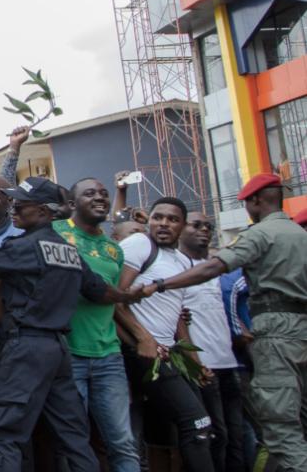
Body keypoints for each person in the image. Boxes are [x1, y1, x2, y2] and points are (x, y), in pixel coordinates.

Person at [0, 176, 148, 472]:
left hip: (26, 349)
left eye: (22, 204)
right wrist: (127, 295)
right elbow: (100, 291)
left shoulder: (23, 247)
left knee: (1, 430)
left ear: (44, 211)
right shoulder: (69, 251)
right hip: (59, 352)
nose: (14, 208)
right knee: (73, 436)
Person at [149, 174, 307, 472]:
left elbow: (215, 266)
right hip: (302, 328)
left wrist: (158, 285)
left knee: (281, 424)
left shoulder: (261, 234)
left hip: (276, 331)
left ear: (255, 201)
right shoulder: (300, 234)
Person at [118, 198, 215, 472]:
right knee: (197, 424)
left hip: (170, 353)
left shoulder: (182, 260)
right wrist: (144, 339)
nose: (163, 223)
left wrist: (195, 364)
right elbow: (115, 299)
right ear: (148, 220)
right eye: (158, 217)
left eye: (172, 219)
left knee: (164, 437)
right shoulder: (139, 245)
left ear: (182, 226)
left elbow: (177, 319)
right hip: (143, 353)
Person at [53, 178, 140, 472]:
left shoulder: (114, 250)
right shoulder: (56, 233)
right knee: (72, 443)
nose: (100, 198)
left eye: (104, 194)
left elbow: (115, 303)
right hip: (68, 354)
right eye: (90, 193)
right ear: (72, 204)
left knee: (122, 442)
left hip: (108, 356)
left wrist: (142, 338)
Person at [181, 211, 248, 472]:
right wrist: (194, 363)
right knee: (215, 436)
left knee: (236, 436)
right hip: (203, 366)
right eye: (196, 225)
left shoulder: (217, 268)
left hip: (228, 362)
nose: (204, 230)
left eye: (208, 226)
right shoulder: (176, 269)